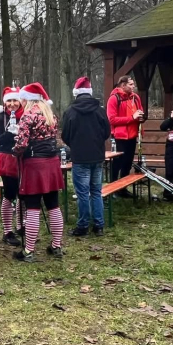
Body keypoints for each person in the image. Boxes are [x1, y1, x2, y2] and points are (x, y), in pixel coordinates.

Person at [14, 83, 65, 262]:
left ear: (27, 99)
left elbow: (21, 144)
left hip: (34, 164)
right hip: (52, 162)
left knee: (33, 207)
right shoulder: (50, 114)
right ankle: (56, 245)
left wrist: (15, 151)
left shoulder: (28, 115)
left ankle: (28, 250)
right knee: (53, 205)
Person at [62, 77, 110, 237]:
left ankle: (83, 226)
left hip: (80, 157)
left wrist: (75, 144)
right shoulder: (100, 110)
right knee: (96, 191)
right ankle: (98, 225)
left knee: (82, 193)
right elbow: (107, 132)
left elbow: (65, 134)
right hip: (97, 156)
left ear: (76, 93)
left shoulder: (70, 111)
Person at [0, 87, 23, 245]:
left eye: (15, 100)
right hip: (7, 158)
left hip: (24, 158)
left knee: (23, 193)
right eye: (9, 101)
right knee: (9, 194)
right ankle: (7, 231)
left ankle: (21, 226)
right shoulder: (1, 116)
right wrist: (9, 134)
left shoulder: (26, 114)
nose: (12, 104)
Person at [106, 75, 144, 197]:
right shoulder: (114, 98)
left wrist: (141, 117)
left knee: (127, 164)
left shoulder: (135, 97)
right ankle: (112, 189)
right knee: (117, 164)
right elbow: (112, 120)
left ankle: (123, 189)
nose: (133, 86)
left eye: (133, 84)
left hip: (133, 136)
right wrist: (131, 118)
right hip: (119, 137)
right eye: (131, 84)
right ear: (123, 85)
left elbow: (140, 113)